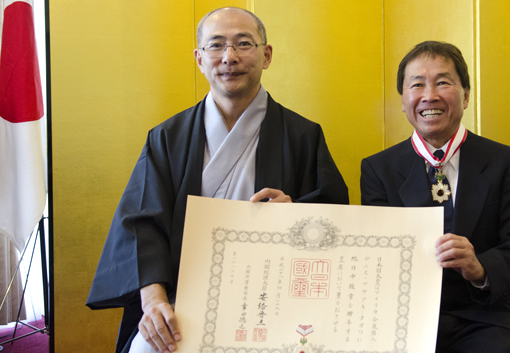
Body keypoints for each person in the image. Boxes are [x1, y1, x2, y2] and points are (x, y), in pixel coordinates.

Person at [86, 7, 348, 353]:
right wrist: (153, 301)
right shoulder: (167, 138)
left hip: (276, 300)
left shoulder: (303, 136)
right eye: (216, 46)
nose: (230, 57)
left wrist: (295, 214)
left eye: (243, 44)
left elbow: (336, 217)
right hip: (184, 298)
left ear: (266, 55)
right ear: (199, 58)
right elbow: (141, 224)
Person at [360, 41, 510, 352]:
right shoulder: (378, 169)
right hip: (404, 314)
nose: (430, 95)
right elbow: (378, 259)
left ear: (466, 95)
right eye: (417, 84)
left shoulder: (504, 162)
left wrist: (479, 267)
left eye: (443, 82)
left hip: (484, 314)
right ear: (403, 101)